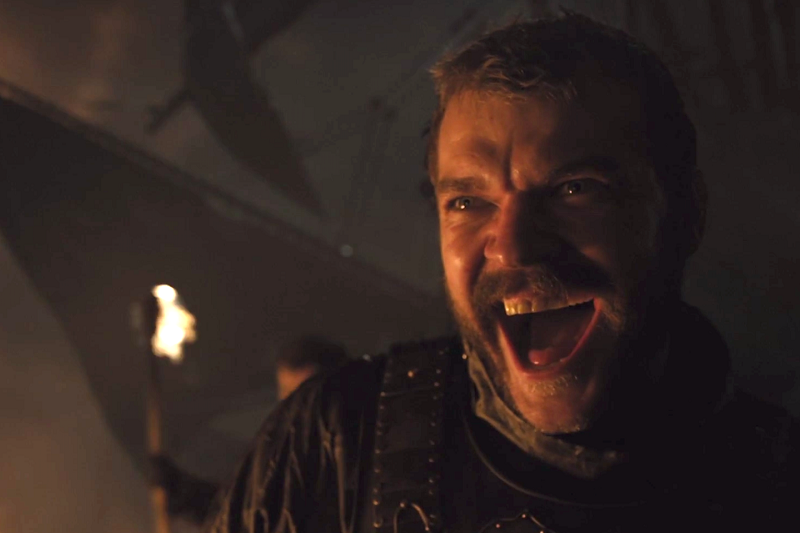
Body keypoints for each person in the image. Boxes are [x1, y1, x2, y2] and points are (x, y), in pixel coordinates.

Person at [207, 12, 799, 533]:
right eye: (468, 202)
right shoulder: (334, 449)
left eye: (574, 189)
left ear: (686, 213)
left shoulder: (780, 488)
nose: (512, 249)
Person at [150, 335, 348, 526]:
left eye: (303, 396)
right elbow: (252, 511)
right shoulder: (280, 454)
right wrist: (185, 493)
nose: (291, 406)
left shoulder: (347, 460)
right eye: (286, 393)